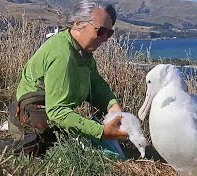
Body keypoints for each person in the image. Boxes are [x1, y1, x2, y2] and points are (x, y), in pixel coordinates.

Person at [7, 0, 128, 159]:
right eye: (100, 31)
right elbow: (56, 112)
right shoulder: (62, 54)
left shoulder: (82, 52)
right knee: (81, 157)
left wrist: (112, 104)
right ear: (78, 24)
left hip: (52, 114)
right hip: (33, 119)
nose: (105, 39)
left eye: (109, 33)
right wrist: (101, 131)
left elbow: (95, 84)